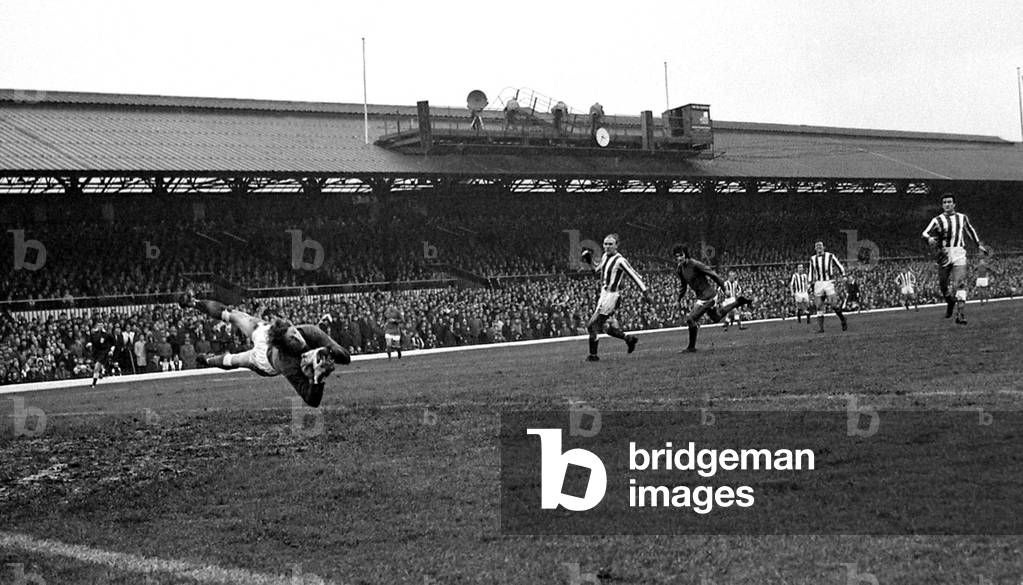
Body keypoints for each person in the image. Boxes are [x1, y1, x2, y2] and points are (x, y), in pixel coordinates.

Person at [180, 292, 350, 407]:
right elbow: (311, 400)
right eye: (293, 338)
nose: (298, 337)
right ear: (284, 345)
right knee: (235, 352)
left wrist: (328, 352)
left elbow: (346, 357)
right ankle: (207, 356)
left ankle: (195, 306)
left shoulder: (308, 331)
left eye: (295, 332)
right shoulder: (287, 363)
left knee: (236, 325)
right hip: (263, 360)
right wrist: (316, 380)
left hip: (266, 331)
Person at [580, 233, 653, 361]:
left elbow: (634, 276)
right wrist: (589, 260)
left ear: (616, 246)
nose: (607, 247)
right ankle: (628, 339)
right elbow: (596, 270)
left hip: (612, 297)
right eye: (605, 244)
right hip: (604, 294)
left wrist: (646, 293)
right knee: (605, 328)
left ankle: (593, 356)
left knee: (592, 325)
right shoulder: (604, 256)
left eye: (610, 244)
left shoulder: (620, 260)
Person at [922, 192, 989, 324]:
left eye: (949, 202)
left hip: (959, 252)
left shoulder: (962, 218)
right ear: (942, 205)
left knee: (960, 283)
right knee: (942, 284)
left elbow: (970, 230)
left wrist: (978, 245)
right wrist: (929, 238)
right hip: (944, 254)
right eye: (944, 202)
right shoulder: (937, 220)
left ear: (954, 204)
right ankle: (950, 302)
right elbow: (924, 233)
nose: (947, 204)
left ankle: (961, 314)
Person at [672, 244, 751, 352]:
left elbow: (713, 274)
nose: (679, 258)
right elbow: (683, 286)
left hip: (709, 296)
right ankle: (738, 302)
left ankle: (691, 347)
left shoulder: (695, 264)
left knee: (691, 319)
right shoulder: (680, 269)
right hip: (701, 297)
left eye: (681, 255)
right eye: (676, 256)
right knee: (716, 317)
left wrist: (724, 288)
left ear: (686, 254)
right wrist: (678, 300)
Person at [809, 241, 848, 333]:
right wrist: (810, 283)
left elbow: (839, 265)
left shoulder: (830, 256)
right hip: (818, 283)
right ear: (815, 248)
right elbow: (811, 272)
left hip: (828, 282)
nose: (819, 247)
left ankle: (843, 319)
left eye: (820, 246)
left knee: (833, 304)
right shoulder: (812, 259)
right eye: (817, 246)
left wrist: (843, 275)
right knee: (819, 305)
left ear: (823, 247)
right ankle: (821, 328)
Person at [86, 323, 116, 387]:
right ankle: (101, 374)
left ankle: (94, 383)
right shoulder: (94, 334)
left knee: (97, 366)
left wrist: (111, 350)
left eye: (101, 325)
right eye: (99, 325)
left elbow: (113, 343)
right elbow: (90, 341)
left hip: (104, 352)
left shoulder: (107, 334)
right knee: (96, 368)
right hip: (96, 353)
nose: (100, 326)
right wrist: (89, 344)